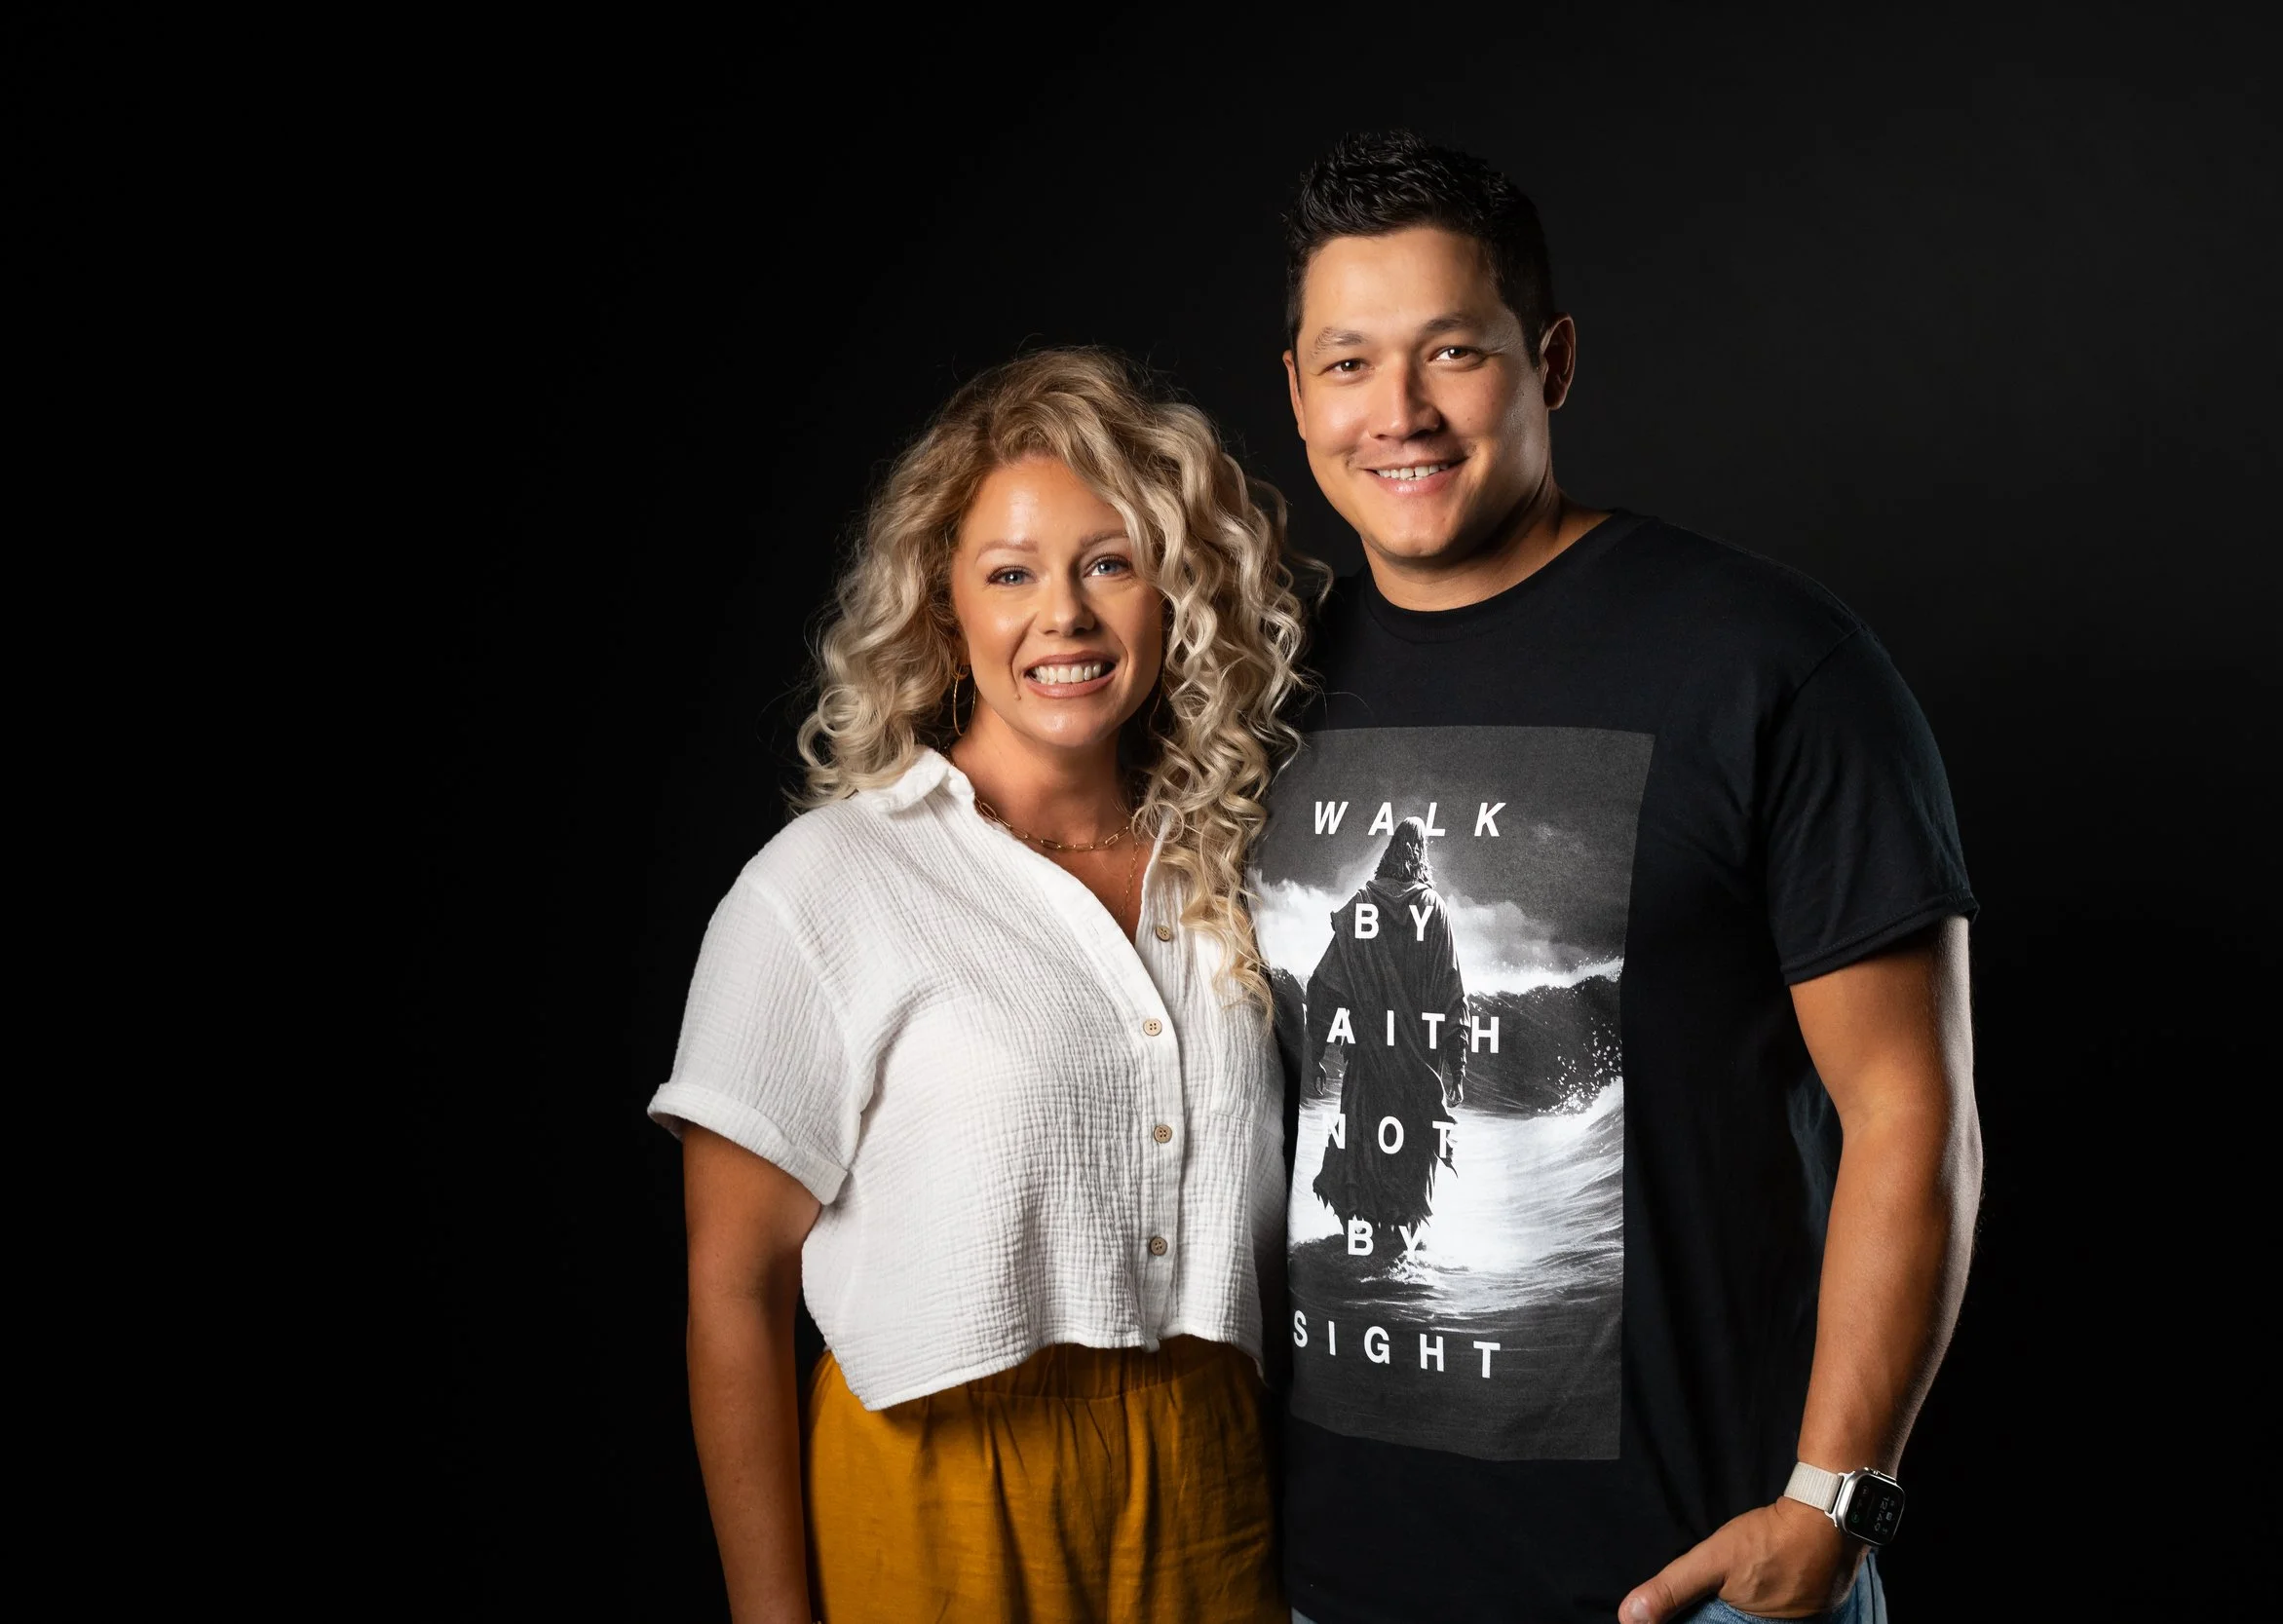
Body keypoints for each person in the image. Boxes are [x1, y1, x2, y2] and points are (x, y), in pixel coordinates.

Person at [1250, 132, 1982, 1624]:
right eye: (1349, 364)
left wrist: (1835, 1503)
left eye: (1454, 351)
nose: (1399, 413)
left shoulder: (1766, 660)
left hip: (1696, 1588)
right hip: (1330, 1585)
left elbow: (1914, 1109)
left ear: (1553, 360)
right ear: (1297, 392)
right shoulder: (1257, 685)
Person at [649, 347, 1313, 1623]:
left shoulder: (1239, 869)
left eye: (1108, 562)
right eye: (1010, 573)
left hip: (1212, 1480)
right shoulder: (827, 883)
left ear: (1173, 594)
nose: (1061, 615)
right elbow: (732, 1291)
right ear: (947, 610)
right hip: (939, 1483)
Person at [1303, 816, 1466, 1265]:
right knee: (1410, 1155)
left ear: (1390, 851)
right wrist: (1458, 1064)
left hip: (1369, 1067)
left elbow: (1323, 987)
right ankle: (1401, 1263)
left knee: (1365, 1152)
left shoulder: (1360, 907)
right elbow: (1453, 995)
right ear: (1421, 855)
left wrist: (1315, 1054)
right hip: (1417, 1067)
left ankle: (1362, 1260)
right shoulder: (1434, 911)